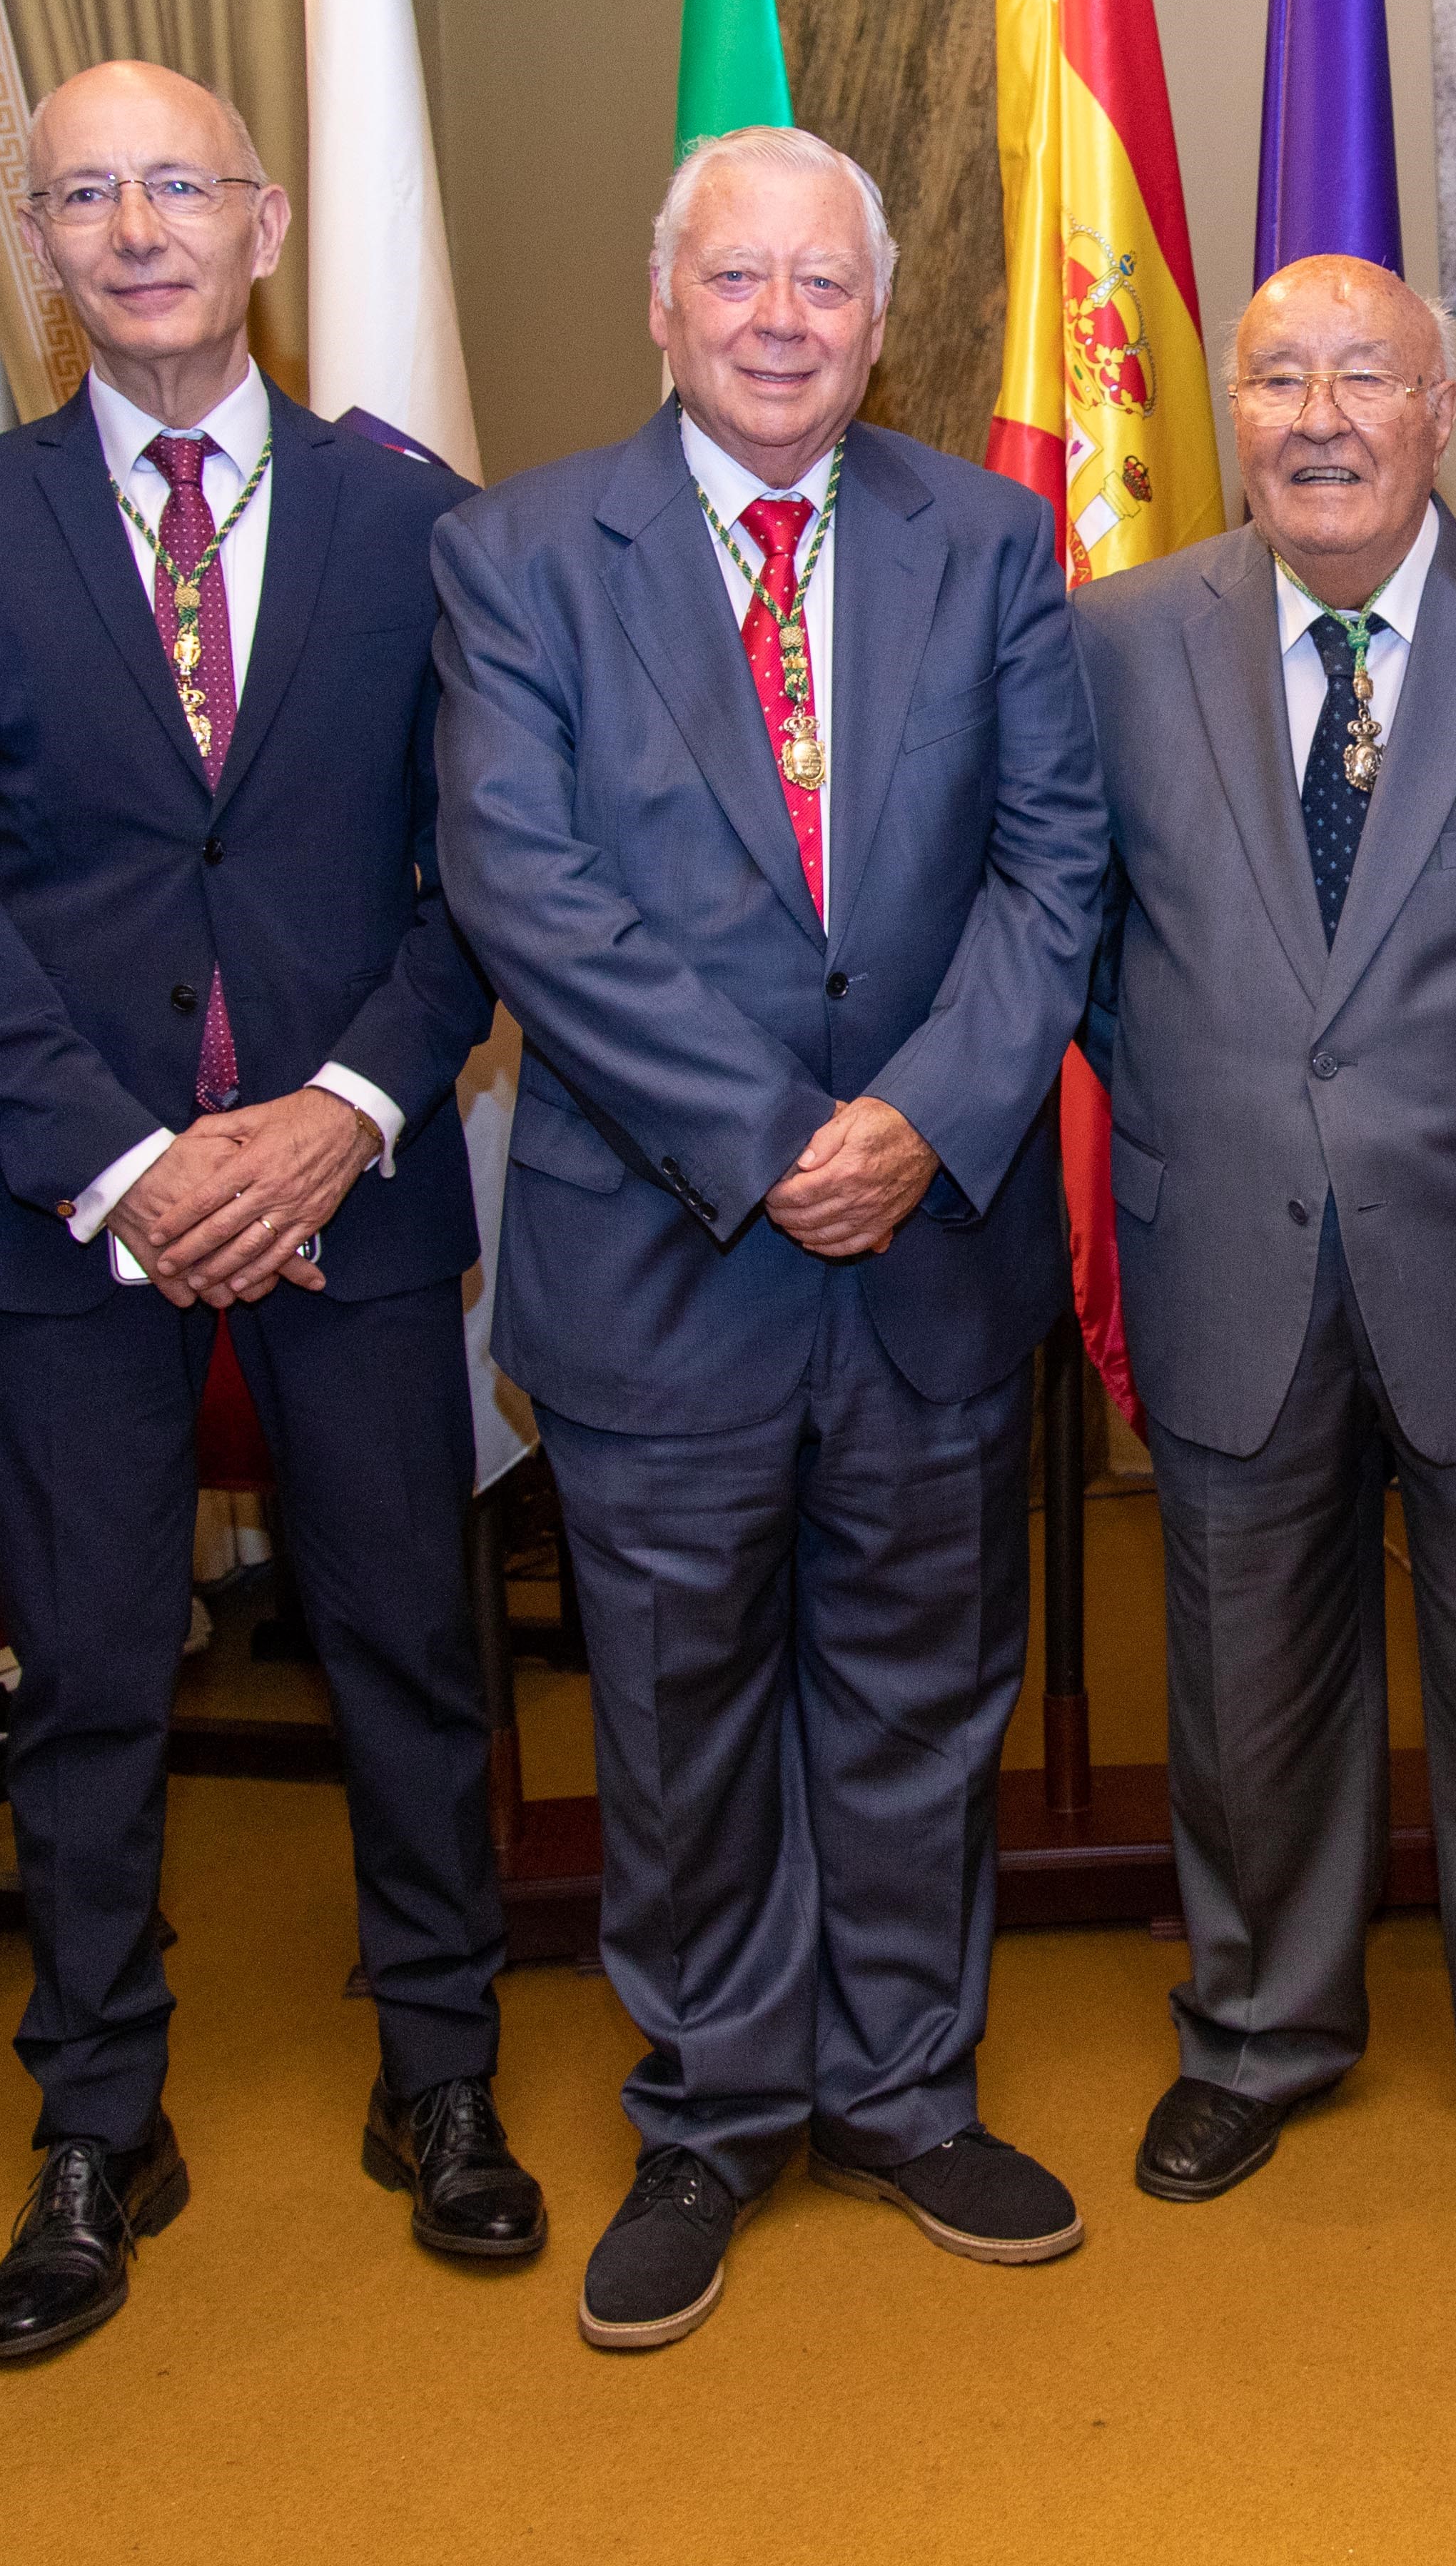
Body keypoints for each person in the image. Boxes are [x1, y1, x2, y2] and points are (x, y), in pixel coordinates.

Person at [0, 61, 527, 2364]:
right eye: (86, 195)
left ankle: (442, 2072)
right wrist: (130, 1160)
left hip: (357, 1182)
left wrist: (341, 1111)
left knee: (408, 1651)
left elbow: (482, 881)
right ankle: (95, 2118)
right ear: (43, 242)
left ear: (265, 222)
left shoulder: (423, 525)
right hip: (70, 1206)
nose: (137, 229)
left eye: (178, 186)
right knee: (82, 1674)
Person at [433, 123, 1109, 2350]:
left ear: (879, 318)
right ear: (664, 305)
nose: (782, 321)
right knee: (681, 1710)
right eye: (738, 279)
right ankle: (714, 2115)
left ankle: (905, 2090)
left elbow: (1055, 872)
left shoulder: (988, 539)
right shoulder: (520, 555)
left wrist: (921, 1118)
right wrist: (773, 1134)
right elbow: (526, 892)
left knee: (923, 1699)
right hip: (664, 1252)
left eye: (824, 284)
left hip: (931, 1243)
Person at [1072, 254, 1456, 2223]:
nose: (1320, 419)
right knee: (1244, 1673)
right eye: (1278, 379)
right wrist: (1239, 1095)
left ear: (1441, 412)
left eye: (1365, 378)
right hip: (1225, 1235)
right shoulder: (1113, 645)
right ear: (1230, 412)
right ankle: (1257, 2031)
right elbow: (1088, 955)